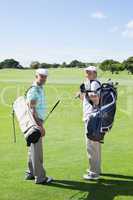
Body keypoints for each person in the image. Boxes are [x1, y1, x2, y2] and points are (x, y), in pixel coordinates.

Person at [25, 68, 53, 184]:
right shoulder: (34, 90)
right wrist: (40, 125)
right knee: (37, 151)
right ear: (36, 76)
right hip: (35, 122)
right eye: (41, 76)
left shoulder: (40, 88)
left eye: (45, 77)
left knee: (32, 148)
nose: (43, 78)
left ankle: (30, 173)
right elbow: (32, 109)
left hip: (37, 121)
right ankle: (40, 177)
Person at [78, 66, 102, 180]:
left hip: (92, 118)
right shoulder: (91, 83)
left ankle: (94, 173)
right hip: (93, 117)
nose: (86, 73)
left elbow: (95, 99)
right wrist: (82, 95)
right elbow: (87, 100)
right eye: (86, 72)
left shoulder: (93, 84)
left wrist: (88, 93)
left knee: (91, 146)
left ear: (94, 73)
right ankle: (96, 169)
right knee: (95, 145)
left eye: (88, 72)